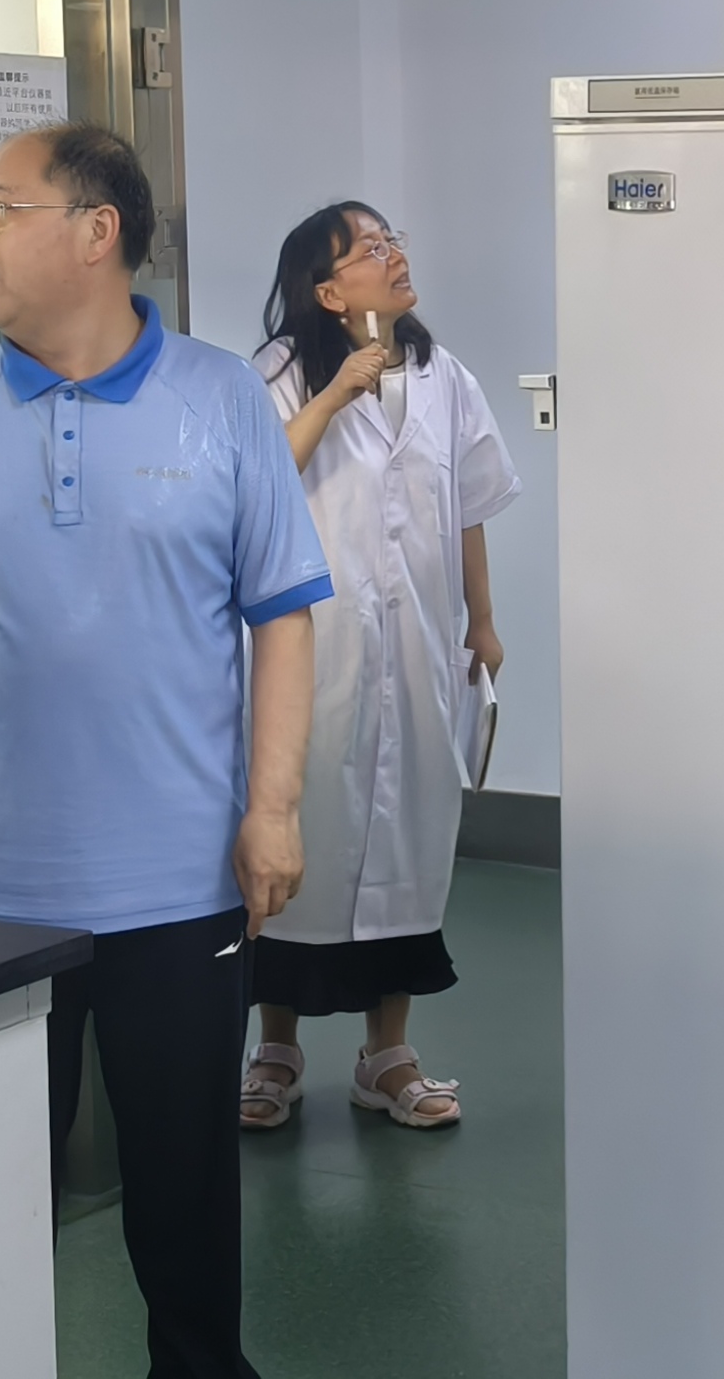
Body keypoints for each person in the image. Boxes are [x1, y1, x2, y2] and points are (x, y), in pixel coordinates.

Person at [0, 124, 325, 1379]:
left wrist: (274, 804)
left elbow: (282, 615)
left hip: (181, 879)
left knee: (184, 1185)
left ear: (96, 229)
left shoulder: (220, 397)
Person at [237, 202, 516, 1132]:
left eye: (392, 239)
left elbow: (469, 503)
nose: (393, 254)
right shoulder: (276, 374)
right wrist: (334, 395)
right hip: (312, 652)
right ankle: (275, 1050)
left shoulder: (444, 376)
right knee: (301, 841)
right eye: (369, 248)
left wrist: (482, 622)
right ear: (327, 291)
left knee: (407, 841)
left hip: (420, 646)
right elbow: (258, 483)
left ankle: (386, 1055)